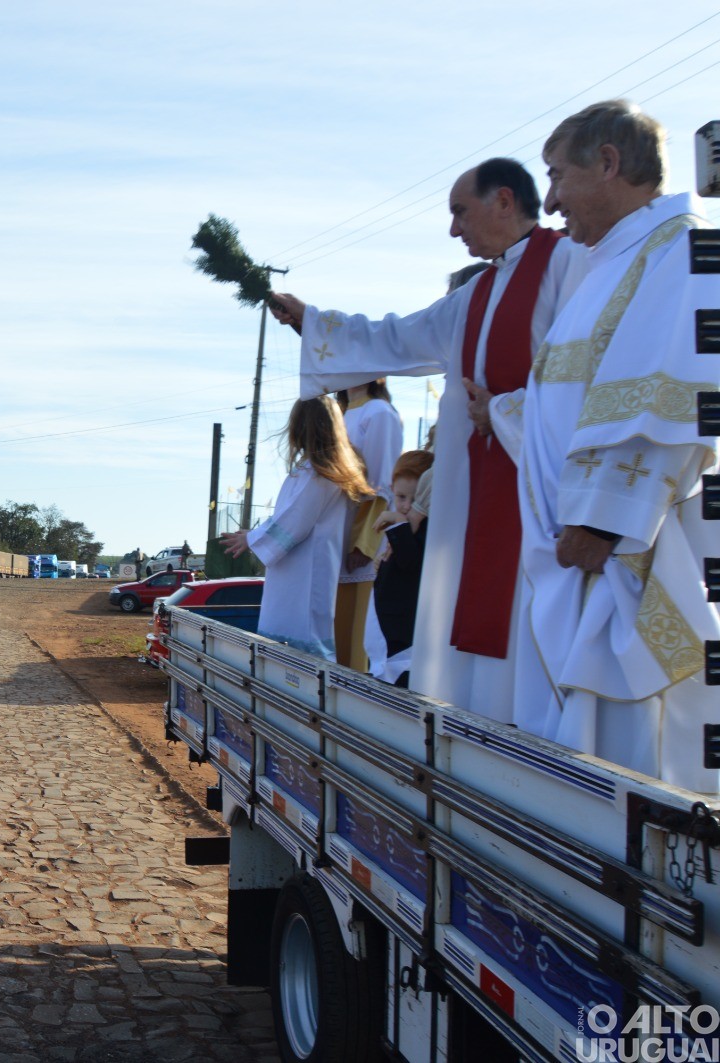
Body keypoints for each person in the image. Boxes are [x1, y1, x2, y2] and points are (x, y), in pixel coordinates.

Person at [268, 158, 590, 720]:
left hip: (537, 501)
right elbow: (400, 336)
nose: (453, 229)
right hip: (477, 500)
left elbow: (590, 383)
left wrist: (507, 411)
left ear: (504, 201)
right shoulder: (479, 292)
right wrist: (312, 321)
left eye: (460, 213)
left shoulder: (569, 266)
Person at [509, 100, 719, 791]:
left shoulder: (684, 246)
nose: (551, 199)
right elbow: (578, 395)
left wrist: (603, 517)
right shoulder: (610, 258)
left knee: (628, 756)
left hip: (626, 552)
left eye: (557, 175)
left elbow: (672, 391)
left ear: (608, 163)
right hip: (580, 553)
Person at [220, 397, 375, 660]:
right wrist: (254, 537)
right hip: (302, 565)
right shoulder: (321, 470)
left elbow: (295, 519)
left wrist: (253, 537)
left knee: (305, 641)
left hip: (306, 569)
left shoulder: (319, 473)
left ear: (300, 428)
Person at [335, 381, 402, 670]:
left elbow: (379, 484)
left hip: (357, 550)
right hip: (332, 540)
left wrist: (364, 542)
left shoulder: (379, 413)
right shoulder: (338, 412)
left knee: (354, 646)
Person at [372, 450, 434, 686]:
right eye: (401, 497)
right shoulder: (405, 527)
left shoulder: (424, 528)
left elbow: (411, 561)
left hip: (407, 636)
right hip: (389, 631)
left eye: (415, 499)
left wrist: (398, 522)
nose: (407, 506)